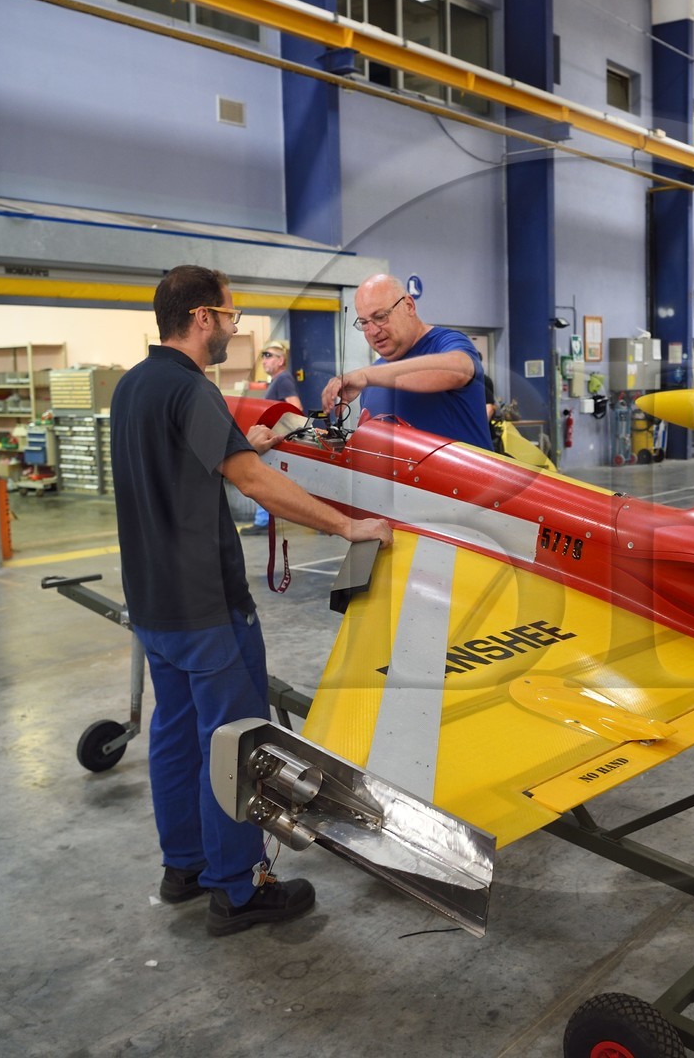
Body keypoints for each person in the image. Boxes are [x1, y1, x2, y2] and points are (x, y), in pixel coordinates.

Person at [110, 265, 392, 937]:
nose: (235, 329)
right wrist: (348, 525)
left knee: (176, 735)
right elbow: (256, 483)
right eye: (231, 316)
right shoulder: (193, 389)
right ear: (201, 317)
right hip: (206, 607)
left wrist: (244, 442)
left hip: (152, 604)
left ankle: (186, 866)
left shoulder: (133, 387)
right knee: (236, 745)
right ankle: (237, 891)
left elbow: (197, 461)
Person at [321, 274, 493, 450]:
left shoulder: (446, 343)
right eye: (364, 323)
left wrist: (366, 376)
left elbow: (458, 370)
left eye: (380, 317)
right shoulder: (374, 378)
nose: (372, 331)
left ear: (409, 306)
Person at [242, 340, 302, 536]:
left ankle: (263, 521)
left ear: (281, 360)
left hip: (275, 442)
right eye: (263, 356)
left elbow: (296, 409)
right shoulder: (277, 380)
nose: (264, 360)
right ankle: (264, 520)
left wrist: (279, 435)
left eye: (269, 356)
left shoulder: (283, 379)